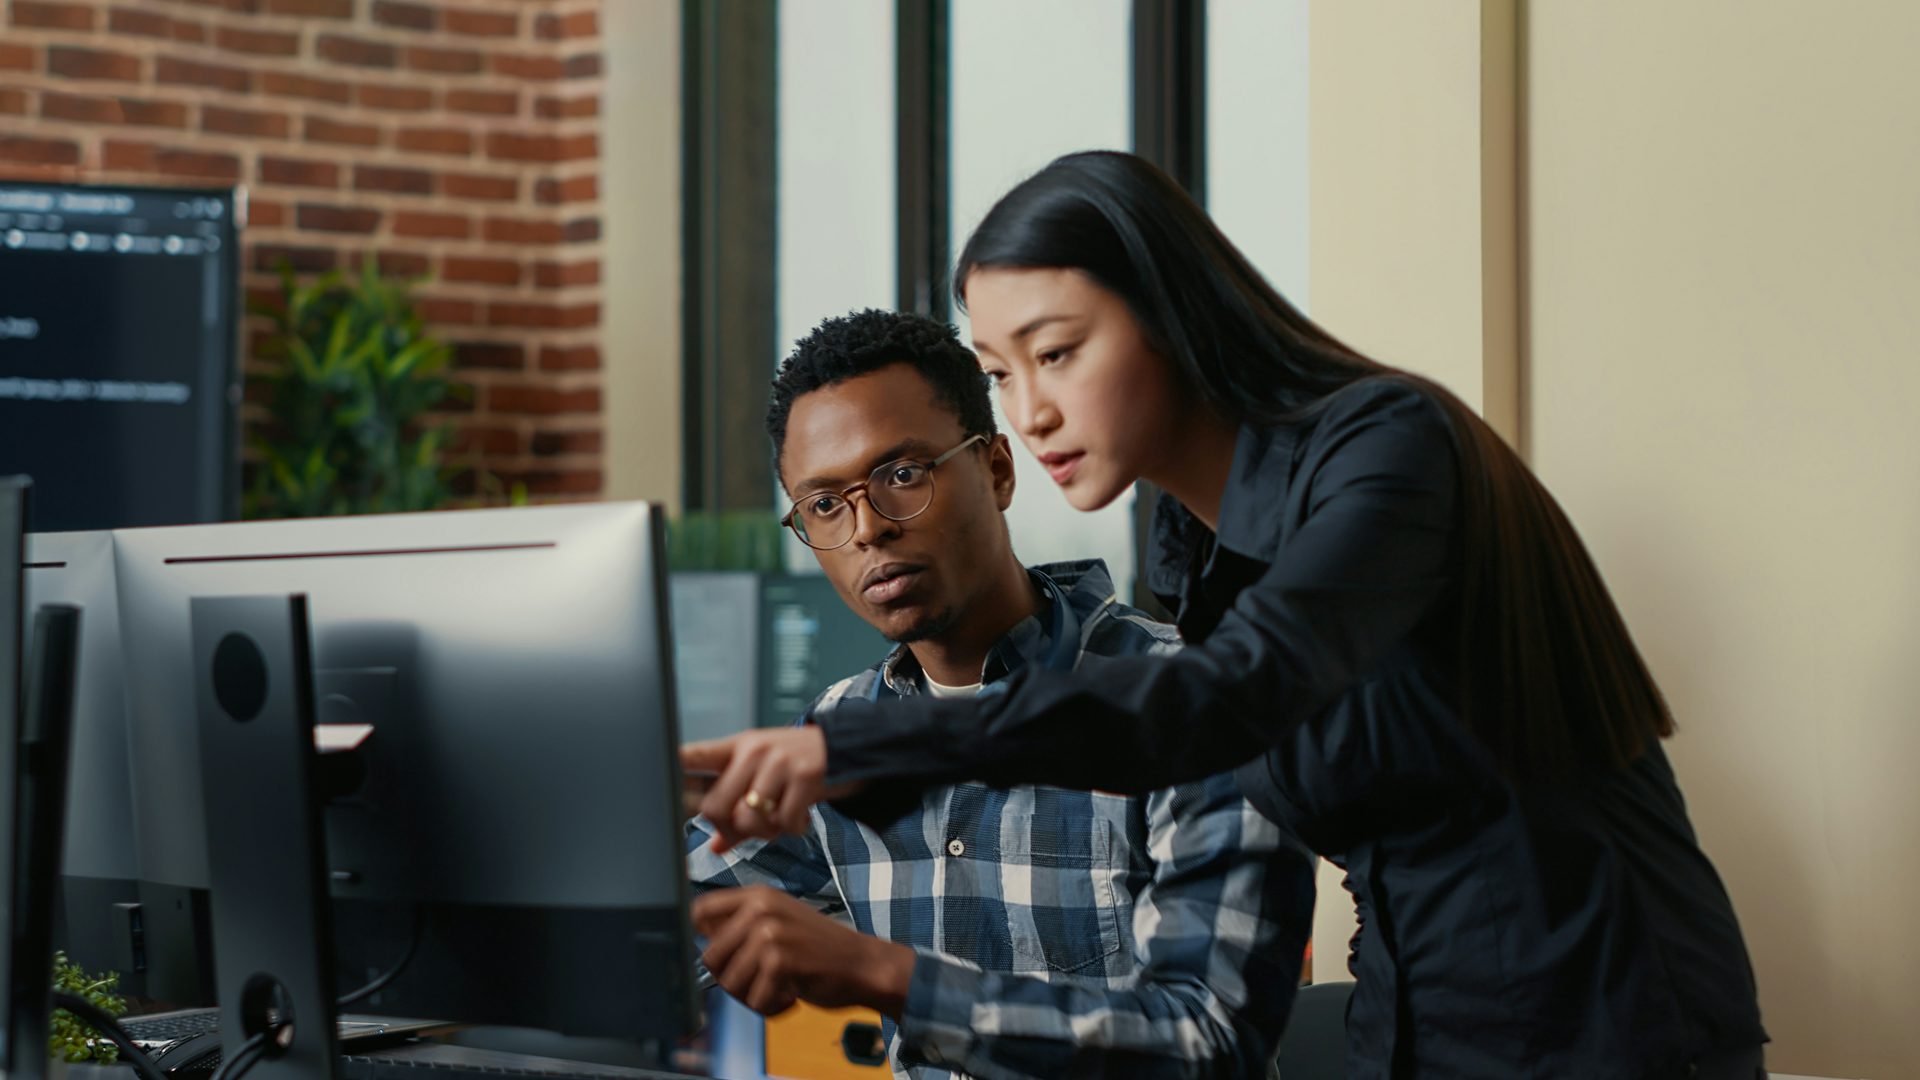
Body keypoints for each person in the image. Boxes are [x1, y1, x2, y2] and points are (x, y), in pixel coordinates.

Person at [685, 153, 1768, 1079]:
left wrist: (851, 749)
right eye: (1003, 371)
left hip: (1609, 1022)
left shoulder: (1391, 448)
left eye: (1057, 353)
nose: (1032, 409)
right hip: (1414, 1027)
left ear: (1171, 314)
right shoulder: (1196, 552)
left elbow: (1215, 705)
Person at [684, 309, 1314, 1080]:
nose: (866, 530)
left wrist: (879, 972)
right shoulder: (836, 729)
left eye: (902, 475)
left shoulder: (1187, 696)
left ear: (998, 471)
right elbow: (659, 929)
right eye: (823, 505)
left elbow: (1208, 1049)